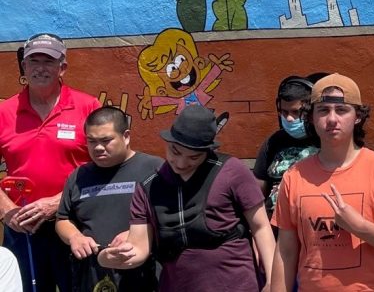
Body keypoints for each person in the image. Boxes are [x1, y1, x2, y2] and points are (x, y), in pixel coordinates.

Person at [97, 104, 275, 291]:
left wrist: (273, 280)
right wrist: (107, 257)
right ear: (167, 142)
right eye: (175, 152)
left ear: (207, 151)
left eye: (193, 157)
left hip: (235, 283)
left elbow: (261, 227)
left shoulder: (232, 171)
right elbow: (139, 248)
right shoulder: (149, 187)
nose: (181, 163)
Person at [271, 74, 374, 292]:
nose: (331, 119)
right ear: (311, 117)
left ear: (357, 116)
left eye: (341, 110)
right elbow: (286, 251)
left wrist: (360, 227)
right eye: (323, 110)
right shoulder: (295, 176)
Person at [0, 33, 100, 292]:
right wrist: (7, 211)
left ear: (62, 67)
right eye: (34, 61)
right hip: (22, 228)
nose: (40, 68)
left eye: (49, 61)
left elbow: (105, 167)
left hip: (75, 224)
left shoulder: (88, 107)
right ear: (24, 66)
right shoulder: (4, 112)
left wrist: (58, 203)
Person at [56, 105, 164, 291]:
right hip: (91, 274)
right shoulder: (79, 176)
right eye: (91, 141)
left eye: (106, 140)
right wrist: (75, 237)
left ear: (126, 136)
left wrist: (137, 235)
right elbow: (62, 219)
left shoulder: (154, 169)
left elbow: (173, 216)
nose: (98, 147)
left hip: (144, 274)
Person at [253, 75, 321, 217]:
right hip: (275, 223)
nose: (289, 118)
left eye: (296, 112)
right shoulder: (274, 141)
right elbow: (257, 191)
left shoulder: (325, 140)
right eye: (284, 112)